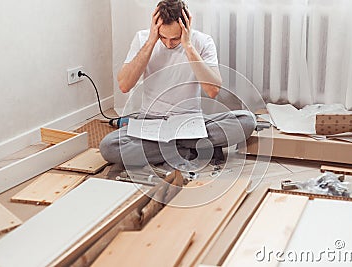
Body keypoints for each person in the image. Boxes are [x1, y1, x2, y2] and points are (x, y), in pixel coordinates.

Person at [100, 0, 256, 168]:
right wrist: (152, 41)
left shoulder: (203, 42)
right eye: (163, 37)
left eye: (175, 39)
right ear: (155, 26)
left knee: (246, 121)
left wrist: (188, 46)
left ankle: (172, 149)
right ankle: (193, 149)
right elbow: (124, 85)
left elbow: (213, 90)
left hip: (189, 121)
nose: (168, 44)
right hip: (152, 121)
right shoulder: (143, 38)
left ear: (187, 26)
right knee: (109, 147)